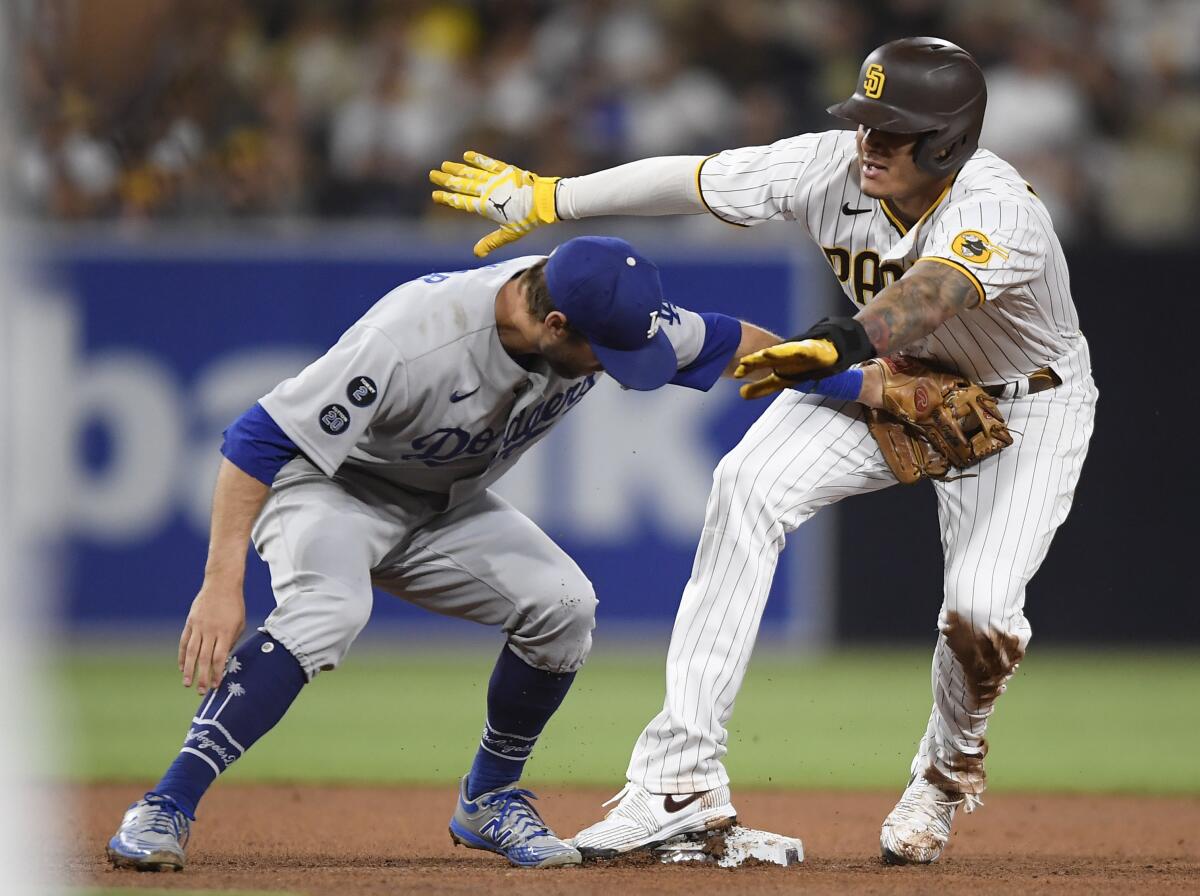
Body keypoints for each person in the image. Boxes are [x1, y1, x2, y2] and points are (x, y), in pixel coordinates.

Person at [430, 37, 1097, 864]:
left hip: (1025, 404)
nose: (869, 143)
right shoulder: (828, 167)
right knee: (746, 484)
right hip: (891, 375)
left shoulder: (1000, 208)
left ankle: (945, 771)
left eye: (894, 132)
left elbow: (937, 292)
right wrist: (552, 196)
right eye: (865, 122)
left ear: (949, 141)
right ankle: (678, 782)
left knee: (983, 612)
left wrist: (841, 341)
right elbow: (697, 181)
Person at [104, 235, 783, 871]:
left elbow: (732, 345)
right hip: (328, 488)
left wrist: (854, 382)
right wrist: (222, 582)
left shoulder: (604, 303)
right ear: (554, 328)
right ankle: (164, 805)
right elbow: (257, 439)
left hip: (438, 505)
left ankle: (488, 799)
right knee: (329, 608)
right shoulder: (413, 336)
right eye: (604, 352)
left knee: (566, 606)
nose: (616, 365)